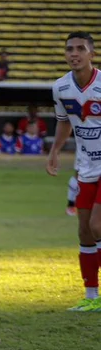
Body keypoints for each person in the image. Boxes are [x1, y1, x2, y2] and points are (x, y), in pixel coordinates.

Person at [46, 32, 101, 311]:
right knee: (84, 233)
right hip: (86, 165)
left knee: (97, 225)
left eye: (80, 48)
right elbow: (64, 121)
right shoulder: (61, 87)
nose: (74, 53)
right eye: (69, 49)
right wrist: (55, 150)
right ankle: (91, 297)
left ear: (91, 53)